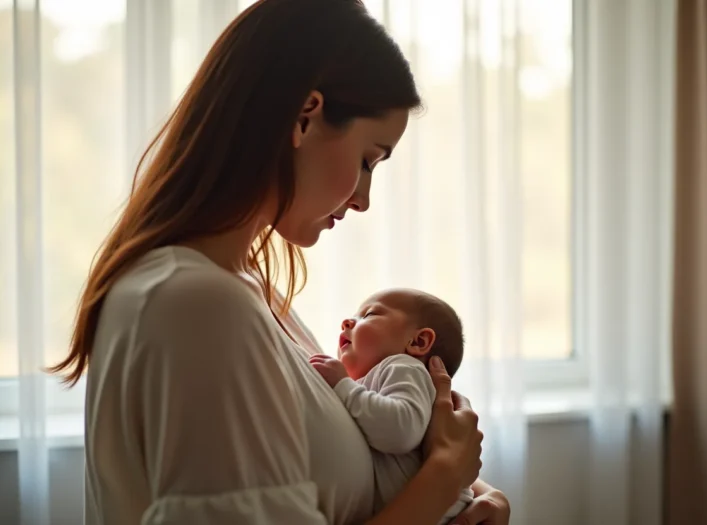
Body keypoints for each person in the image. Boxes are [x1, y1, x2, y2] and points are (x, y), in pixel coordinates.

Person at [49, 1, 510, 524]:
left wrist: (475, 490)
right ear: (304, 117)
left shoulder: (253, 294)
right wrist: (442, 480)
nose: (363, 199)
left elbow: (347, 460)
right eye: (367, 160)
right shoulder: (196, 303)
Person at [309, 288, 475, 524]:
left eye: (368, 315)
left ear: (418, 341)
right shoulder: (372, 381)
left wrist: (343, 386)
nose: (347, 321)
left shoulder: (404, 367)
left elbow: (401, 431)